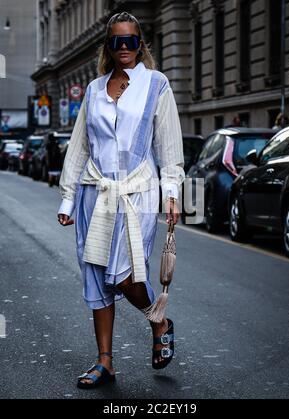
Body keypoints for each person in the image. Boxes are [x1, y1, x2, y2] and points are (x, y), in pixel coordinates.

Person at [57, 12, 185, 389]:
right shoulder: (95, 90)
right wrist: (67, 200)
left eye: (132, 41)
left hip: (137, 193)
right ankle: (105, 362)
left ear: (141, 44)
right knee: (97, 277)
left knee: (128, 276)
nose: (125, 47)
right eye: (117, 41)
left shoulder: (156, 84)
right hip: (94, 195)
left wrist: (173, 192)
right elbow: (79, 146)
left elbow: (169, 144)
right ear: (108, 47)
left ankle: (158, 320)